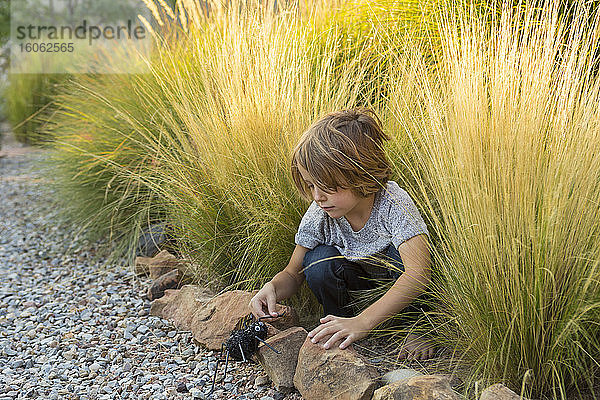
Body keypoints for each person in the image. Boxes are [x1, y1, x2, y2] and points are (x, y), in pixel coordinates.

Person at [248, 108, 434, 360]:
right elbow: (293, 273)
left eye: (325, 186)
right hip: (355, 290)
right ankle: (338, 324)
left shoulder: (393, 203)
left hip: (398, 293)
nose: (317, 196)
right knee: (317, 260)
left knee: (402, 258)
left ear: (359, 172)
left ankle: (415, 327)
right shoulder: (320, 212)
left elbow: (418, 273)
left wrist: (364, 322)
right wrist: (271, 288)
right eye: (311, 185)